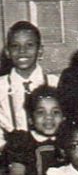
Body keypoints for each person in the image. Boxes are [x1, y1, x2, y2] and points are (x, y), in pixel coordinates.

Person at [0, 21, 60, 150]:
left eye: (29, 45)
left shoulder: (56, 83)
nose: (22, 51)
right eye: (15, 46)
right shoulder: (1, 87)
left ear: (40, 51)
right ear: (7, 52)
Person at [6, 86, 62, 175]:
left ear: (64, 116)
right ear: (30, 119)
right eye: (41, 112)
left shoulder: (67, 140)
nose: (49, 117)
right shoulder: (22, 142)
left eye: (55, 112)